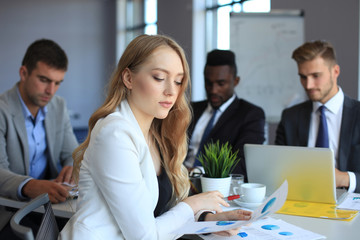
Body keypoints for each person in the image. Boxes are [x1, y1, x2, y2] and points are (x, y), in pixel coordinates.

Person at [60, 35, 252, 239]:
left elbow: (163, 212)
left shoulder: (156, 133)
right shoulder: (114, 133)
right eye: (159, 78)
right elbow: (144, 236)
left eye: (178, 81)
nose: (171, 91)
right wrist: (192, 205)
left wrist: (204, 218)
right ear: (128, 78)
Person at [0, 39, 79, 204]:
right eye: (44, 80)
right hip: (8, 208)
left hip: (48, 204)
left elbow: (72, 153)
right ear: (23, 73)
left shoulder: (58, 106)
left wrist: (72, 166)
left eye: (57, 83)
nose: (50, 91)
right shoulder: (3, 110)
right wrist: (30, 186)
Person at [275, 40, 360, 193]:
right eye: (303, 77)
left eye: (316, 76)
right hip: (301, 199)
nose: (308, 85)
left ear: (335, 71)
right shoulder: (290, 117)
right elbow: (277, 169)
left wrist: (345, 178)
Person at [184, 49, 265, 180]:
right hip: (177, 181)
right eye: (208, 83)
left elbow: (243, 163)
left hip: (216, 186)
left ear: (236, 81)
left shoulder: (250, 114)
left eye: (221, 84)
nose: (213, 90)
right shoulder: (191, 109)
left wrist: (197, 171)